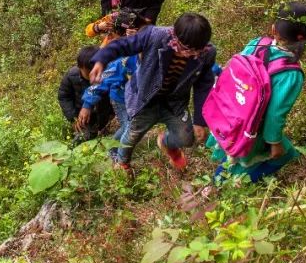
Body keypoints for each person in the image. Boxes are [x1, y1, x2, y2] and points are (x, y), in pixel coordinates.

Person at [90, 13, 217, 173]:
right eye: (186, 49)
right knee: (132, 135)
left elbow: (203, 86)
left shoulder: (206, 53)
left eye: (196, 51)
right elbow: (123, 45)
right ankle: (122, 164)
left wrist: (200, 120)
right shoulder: (155, 36)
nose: (191, 54)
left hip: (174, 102)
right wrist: (101, 60)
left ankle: (166, 142)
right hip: (145, 99)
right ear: (175, 36)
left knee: (186, 138)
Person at [207, 2, 306, 183]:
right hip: (254, 127)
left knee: (233, 150)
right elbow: (274, 113)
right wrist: (274, 143)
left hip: (232, 115)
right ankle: (231, 185)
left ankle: (219, 181)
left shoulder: (257, 44)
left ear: (274, 29)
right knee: (283, 155)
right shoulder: (291, 74)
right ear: (305, 37)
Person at [78, 10, 141, 144]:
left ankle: (113, 146)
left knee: (130, 125)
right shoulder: (120, 57)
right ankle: (114, 149)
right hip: (120, 97)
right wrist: (87, 104)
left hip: (133, 95)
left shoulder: (139, 46)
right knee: (129, 126)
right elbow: (104, 79)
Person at [58, 46, 113, 143]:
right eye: (88, 73)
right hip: (84, 118)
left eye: (96, 71)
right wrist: (73, 118)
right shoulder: (71, 76)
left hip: (105, 114)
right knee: (81, 139)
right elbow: (64, 96)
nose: (93, 76)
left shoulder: (107, 73)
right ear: (80, 67)